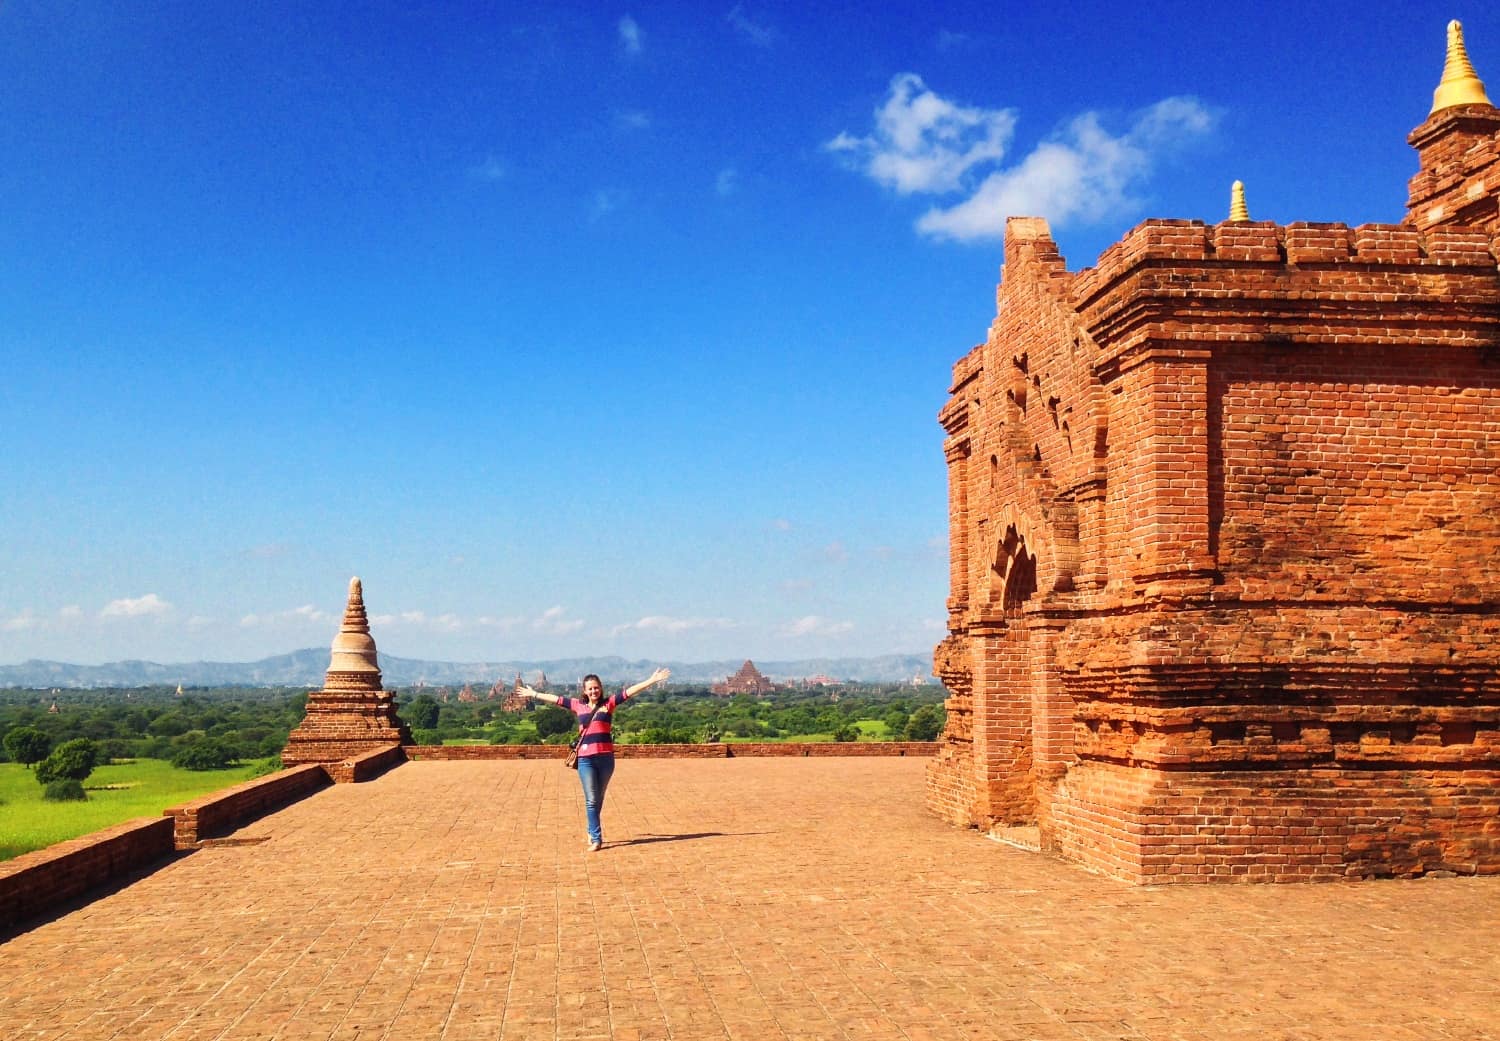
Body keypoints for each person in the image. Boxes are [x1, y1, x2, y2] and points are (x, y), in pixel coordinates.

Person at [519, 667, 670, 851]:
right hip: (585, 759)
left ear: (601, 688)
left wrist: (651, 680)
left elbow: (629, 692)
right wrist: (534, 693)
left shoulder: (609, 704)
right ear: (584, 691)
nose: (593, 691)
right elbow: (555, 699)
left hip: (606, 758)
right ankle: (597, 838)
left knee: (598, 797)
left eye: (596, 688)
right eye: (590, 689)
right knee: (591, 799)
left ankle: (591, 828)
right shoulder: (577, 705)